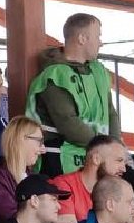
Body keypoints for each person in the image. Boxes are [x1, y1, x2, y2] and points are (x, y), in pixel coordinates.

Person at [25, 13, 121, 176]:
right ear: (82, 39)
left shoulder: (99, 71)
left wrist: (115, 147)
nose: (101, 43)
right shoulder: (54, 75)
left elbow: (111, 112)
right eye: (97, 36)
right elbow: (67, 122)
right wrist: (107, 148)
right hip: (62, 161)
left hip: (98, 158)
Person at [0, 116, 48, 223]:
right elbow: (9, 215)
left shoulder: (31, 177)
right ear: (21, 140)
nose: (43, 149)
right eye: (39, 141)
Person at [52, 135, 129, 222]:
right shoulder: (63, 184)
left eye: (124, 163)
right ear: (96, 159)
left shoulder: (115, 190)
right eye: (119, 160)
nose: (124, 169)